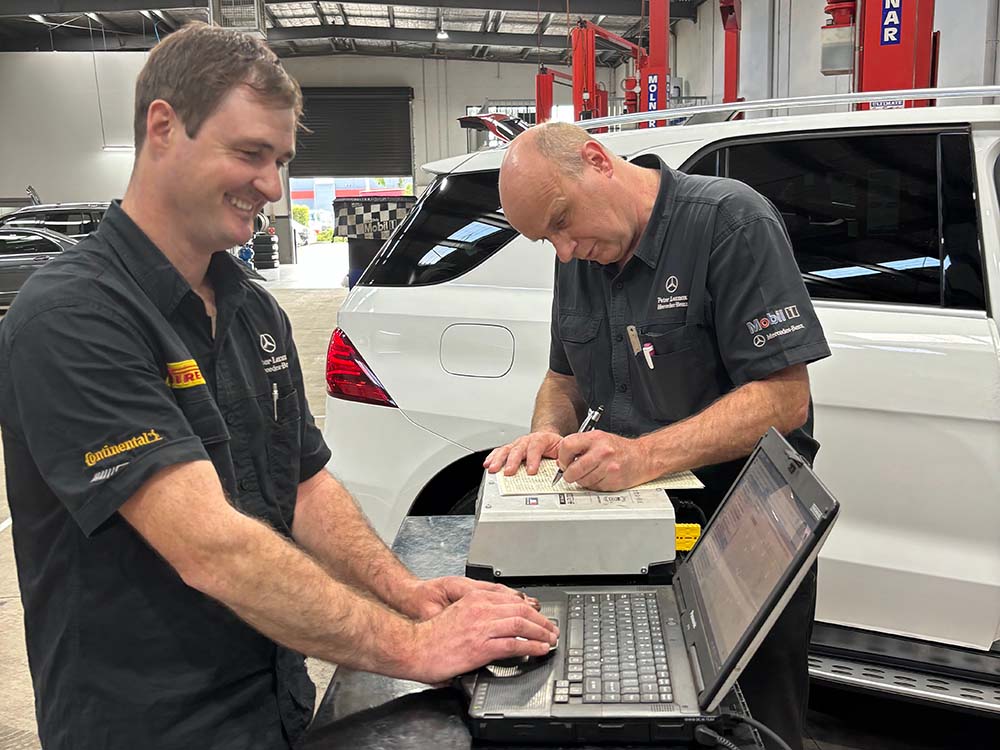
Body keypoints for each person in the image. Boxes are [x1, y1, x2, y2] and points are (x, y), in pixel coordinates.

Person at [0, 23, 556, 750]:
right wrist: (413, 647)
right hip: (154, 724)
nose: (272, 184)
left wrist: (407, 592)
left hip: (278, 704)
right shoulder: (73, 317)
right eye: (250, 153)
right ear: (163, 127)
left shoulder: (252, 307)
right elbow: (212, 547)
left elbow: (304, 483)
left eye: (282, 159)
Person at [485, 121, 832, 750]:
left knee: (756, 725)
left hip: (741, 536)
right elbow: (563, 380)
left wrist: (642, 455)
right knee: (637, 708)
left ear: (597, 161)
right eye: (547, 240)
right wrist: (543, 435)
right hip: (634, 534)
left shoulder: (729, 222)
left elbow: (784, 398)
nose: (563, 251)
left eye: (562, 221)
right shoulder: (583, 253)